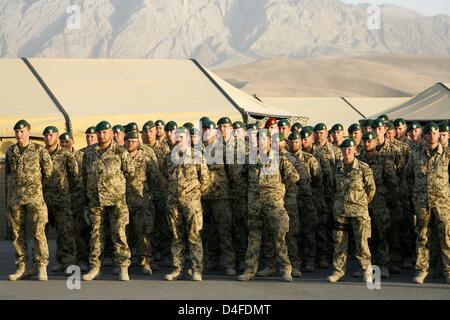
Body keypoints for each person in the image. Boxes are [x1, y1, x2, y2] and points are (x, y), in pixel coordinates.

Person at [238, 129, 299, 282]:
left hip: (274, 205)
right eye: (259, 139)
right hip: (255, 204)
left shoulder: (280, 159)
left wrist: (279, 191)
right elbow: (241, 177)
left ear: (270, 141)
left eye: (264, 139)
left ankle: (286, 269)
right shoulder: (249, 159)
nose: (261, 142)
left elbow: (293, 177)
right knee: (254, 237)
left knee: (279, 237)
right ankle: (250, 270)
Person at [81, 121, 134, 281]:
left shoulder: (120, 151)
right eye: (99, 133)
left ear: (111, 134)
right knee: (96, 234)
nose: (101, 135)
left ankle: (123, 267)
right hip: (96, 200)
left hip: (116, 200)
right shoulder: (89, 152)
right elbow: (83, 174)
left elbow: (130, 172)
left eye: (105, 132)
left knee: (119, 233)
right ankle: (95, 267)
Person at [403, 122, 450, 285]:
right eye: (429, 134)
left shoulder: (447, 154)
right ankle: (423, 270)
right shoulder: (416, 154)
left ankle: (448, 271)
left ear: (439, 134)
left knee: (446, 236)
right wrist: (413, 194)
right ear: (424, 136)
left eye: (435, 133)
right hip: (422, 202)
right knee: (422, 236)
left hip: (443, 202)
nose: (432, 136)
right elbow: (408, 176)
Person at [6, 120, 53, 281]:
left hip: (35, 198)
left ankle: (41, 266)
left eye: (22, 131)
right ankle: (22, 267)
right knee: (17, 234)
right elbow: (9, 174)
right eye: (17, 132)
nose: (19, 135)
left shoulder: (39, 150)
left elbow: (48, 174)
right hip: (16, 198)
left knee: (39, 233)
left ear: (28, 132)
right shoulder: (11, 151)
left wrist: (36, 188)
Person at [162, 127, 210, 281]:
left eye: (181, 138)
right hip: (173, 203)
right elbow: (164, 178)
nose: (178, 141)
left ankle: (197, 270)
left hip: (192, 204)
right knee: (176, 237)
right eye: (176, 138)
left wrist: (194, 196)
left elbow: (206, 180)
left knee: (194, 236)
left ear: (188, 139)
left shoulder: (197, 156)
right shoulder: (169, 158)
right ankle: (177, 269)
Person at [328, 138, 376, 283]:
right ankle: (338, 271)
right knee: (339, 242)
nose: (347, 151)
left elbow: (371, 189)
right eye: (344, 149)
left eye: (350, 148)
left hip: (359, 211)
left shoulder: (363, 168)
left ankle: (366, 270)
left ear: (355, 150)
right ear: (341, 151)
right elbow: (332, 187)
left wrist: (361, 203)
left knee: (362, 242)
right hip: (341, 211)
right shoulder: (337, 168)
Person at [359, 132, 399, 278]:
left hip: (380, 204)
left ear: (376, 142)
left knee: (381, 235)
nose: (367, 144)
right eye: (365, 141)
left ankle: (383, 265)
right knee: (364, 237)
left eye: (370, 141)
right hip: (362, 204)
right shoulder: (358, 161)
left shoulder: (384, 161)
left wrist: (391, 202)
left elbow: (393, 184)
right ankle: (366, 266)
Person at [42, 126, 79, 275]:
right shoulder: (39, 153)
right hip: (43, 201)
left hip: (62, 200)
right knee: (42, 233)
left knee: (65, 232)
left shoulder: (65, 155)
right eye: (46, 135)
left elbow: (74, 177)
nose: (48, 137)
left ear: (57, 136)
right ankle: (53, 262)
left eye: (51, 135)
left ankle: (69, 263)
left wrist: (67, 195)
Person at [124, 131, 159, 275]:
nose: (130, 143)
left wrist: (150, 197)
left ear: (138, 142)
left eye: (133, 141)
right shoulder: (120, 158)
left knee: (143, 233)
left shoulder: (146, 159)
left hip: (142, 202)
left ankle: (145, 262)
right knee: (124, 234)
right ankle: (126, 262)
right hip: (124, 202)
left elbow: (155, 180)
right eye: (128, 141)